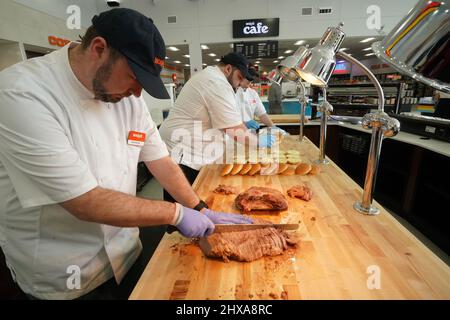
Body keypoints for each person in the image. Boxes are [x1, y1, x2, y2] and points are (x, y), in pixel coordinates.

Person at [0, 8, 252, 300]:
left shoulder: (126, 97)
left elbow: (161, 161)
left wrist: (199, 207)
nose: (136, 93)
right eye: (134, 78)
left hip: (126, 254)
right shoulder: (21, 94)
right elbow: (84, 201)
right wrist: (175, 212)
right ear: (99, 49)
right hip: (65, 274)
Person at [158, 52, 275, 200]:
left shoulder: (213, 78)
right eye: (239, 77)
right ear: (228, 69)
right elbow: (235, 131)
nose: (240, 83)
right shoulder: (216, 83)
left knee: (194, 203)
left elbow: (226, 121)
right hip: (182, 152)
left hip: (189, 148)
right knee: (184, 207)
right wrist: (258, 141)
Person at [237, 67, 287, 136]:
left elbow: (262, 114)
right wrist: (243, 124)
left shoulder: (253, 93)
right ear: (241, 77)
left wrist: (273, 127)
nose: (250, 83)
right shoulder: (230, 93)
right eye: (248, 80)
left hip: (250, 134)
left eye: (251, 81)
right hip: (234, 134)